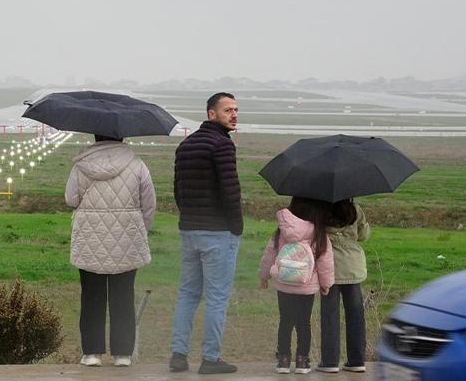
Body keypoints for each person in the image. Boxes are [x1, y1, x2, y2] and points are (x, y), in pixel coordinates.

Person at [65, 134, 156, 368]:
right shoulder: (137, 164)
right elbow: (149, 204)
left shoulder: (81, 166)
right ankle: (122, 354)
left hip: (89, 238)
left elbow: (70, 199)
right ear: (122, 136)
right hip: (127, 238)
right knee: (124, 295)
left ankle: (92, 353)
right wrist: (139, 227)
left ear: (95, 136)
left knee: (92, 296)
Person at [169, 92, 243, 375]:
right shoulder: (222, 145)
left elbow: (178, 190)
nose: (234, 114)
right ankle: (210, 358)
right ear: (211, 114)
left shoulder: (185, 145)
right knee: (216, 297)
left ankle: (178, 355)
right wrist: (236, 227)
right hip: (218, 232)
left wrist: (188, 215)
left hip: (189, 230)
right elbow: (230, 191)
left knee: (187, 294)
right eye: (227, 110)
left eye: (236, 110)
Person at [258, 197, 335, 375]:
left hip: (284, 284)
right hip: (306, 286)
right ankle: (302, 361)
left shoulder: (281, 230)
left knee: (285, 321)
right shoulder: (318, 232)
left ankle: (283, 360)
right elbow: (325, 261)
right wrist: (326, 283)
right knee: (304, 323)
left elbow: (270, 254)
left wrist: (264, 276)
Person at [317, 199, 370, 373]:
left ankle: (330, 361)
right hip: (353, 267)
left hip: (329, 267)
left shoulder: (321, 209)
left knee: (329, 315)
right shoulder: (355, 208)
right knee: (356, 315)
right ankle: (357, 360)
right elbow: (363, 235)